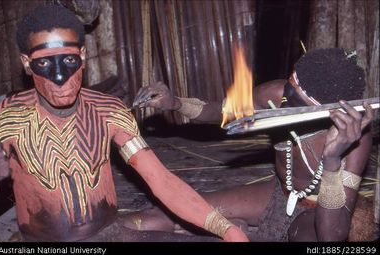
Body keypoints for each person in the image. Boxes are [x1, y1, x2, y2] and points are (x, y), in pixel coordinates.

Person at [0, 4, 249, 242]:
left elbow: (161, 180)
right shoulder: (9, 117)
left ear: (83, 56)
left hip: (110, 235)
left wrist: (225, 228)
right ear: (27, 63)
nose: (60, 77)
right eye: (44, 63)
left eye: (69, 60)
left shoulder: (109, 111)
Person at [127, 48, 375, 241]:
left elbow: (332, 235)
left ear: (329, 112)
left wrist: (332, 160)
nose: (285, 100)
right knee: (171, 214)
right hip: (278, 194)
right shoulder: (274, 95)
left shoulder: (355, 137)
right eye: (289, 87)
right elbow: (221, 111)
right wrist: (175, 103)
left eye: (296, 101)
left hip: (318, 213)